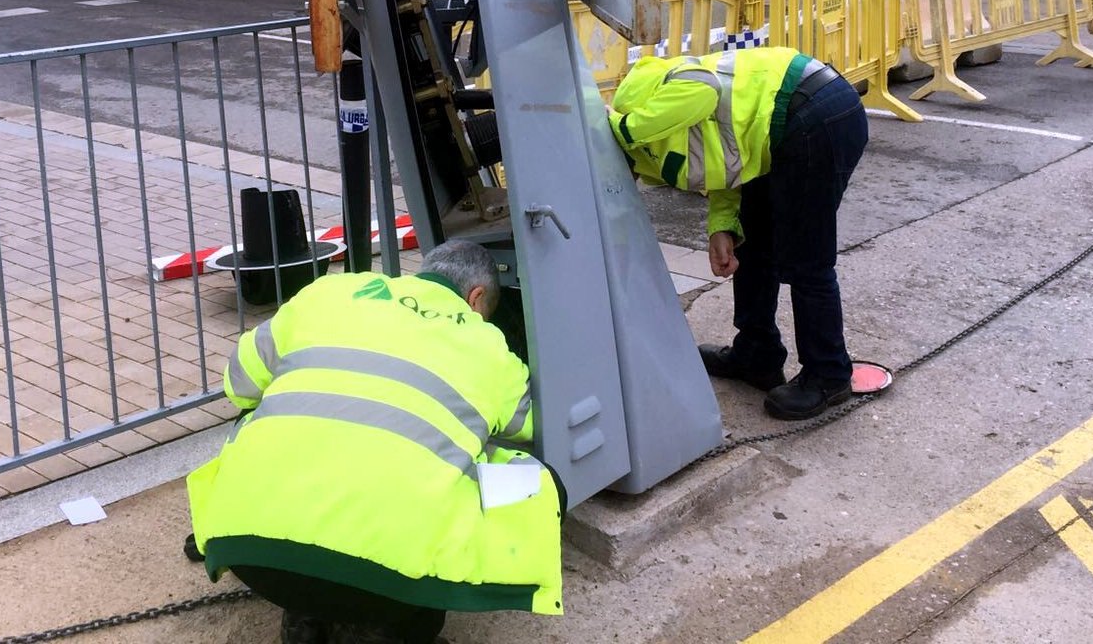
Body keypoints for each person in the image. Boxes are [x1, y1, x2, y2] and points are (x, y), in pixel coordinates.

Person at [186, 239, 563, 644]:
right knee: (531, 477)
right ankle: (399, 627)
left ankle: (305, 612)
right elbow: (535, 425)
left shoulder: (327, 293)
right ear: (477, 298)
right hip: (392, 588)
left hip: (249, 557)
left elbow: (238, 384)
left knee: (258, 414)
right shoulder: (490, 347)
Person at [607, 47, 868, 421]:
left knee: (806, 258)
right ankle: (757, 355)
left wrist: (623, 129)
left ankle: (829, 374)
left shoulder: (657, 100)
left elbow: (704, 91)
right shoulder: (652, 135)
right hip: (777, 129)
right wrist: (723, 226)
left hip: (816, 114)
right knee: (754, 242)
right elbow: (721, 153)